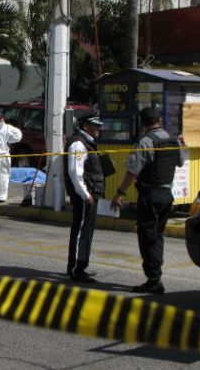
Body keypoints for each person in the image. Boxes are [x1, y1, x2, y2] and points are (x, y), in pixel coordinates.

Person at [111, 107, 184, 295]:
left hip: (150, 195)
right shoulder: (172, 139)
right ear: (159, 120)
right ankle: (155, 276)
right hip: (167, 195)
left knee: (147, 236)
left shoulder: (145, 141)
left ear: (143, 123)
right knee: (157, 235)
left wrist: (119, 192)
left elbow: (132, 171)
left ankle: (154, 279)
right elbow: (180, 162)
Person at [63, 112, 114, 283]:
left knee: (86, 231)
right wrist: (85, 194)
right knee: (81, 232)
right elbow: (74, 172)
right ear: (86, 126)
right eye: (95, 125)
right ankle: (77, 268)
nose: (99, 129)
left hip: (89, 193)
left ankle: (79, 266)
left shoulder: (87, 142)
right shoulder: (78, 144)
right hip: (85, 195)